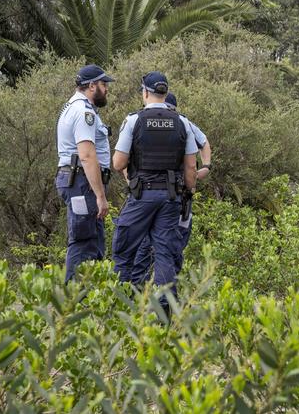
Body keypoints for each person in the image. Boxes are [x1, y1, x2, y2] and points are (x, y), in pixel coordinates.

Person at [111, 72, 197, 317]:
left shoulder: (134, 120)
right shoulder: (182, 122)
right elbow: (190, 167)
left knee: (125, 247)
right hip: (171, 198)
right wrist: (187, 193)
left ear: (145, 92)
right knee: (164, 253)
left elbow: (118, 163)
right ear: (165, 91)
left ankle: (123, 305)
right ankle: (165, 313)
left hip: (142, 197)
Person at [130, 91, 212, 286]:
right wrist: (203, 170)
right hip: (177, 195)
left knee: (152, 244)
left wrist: (205, 167)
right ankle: (164, 294)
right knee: (170, 245)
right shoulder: (181, 122)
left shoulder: (144, 121)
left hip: (154, 193)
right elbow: (202, 145)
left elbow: (122, 160)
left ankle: (140, 290)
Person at [55, 64, 114, 282]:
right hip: (81, 182)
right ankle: (74, 302)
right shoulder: (83, 112)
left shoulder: (75, 107)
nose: (106, 88)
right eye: (103, 84)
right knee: (83, 242)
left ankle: (91, 299)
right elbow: (87, 155)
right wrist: (100, 196)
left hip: (79, 180)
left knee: (95, 241)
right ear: (91, 86)